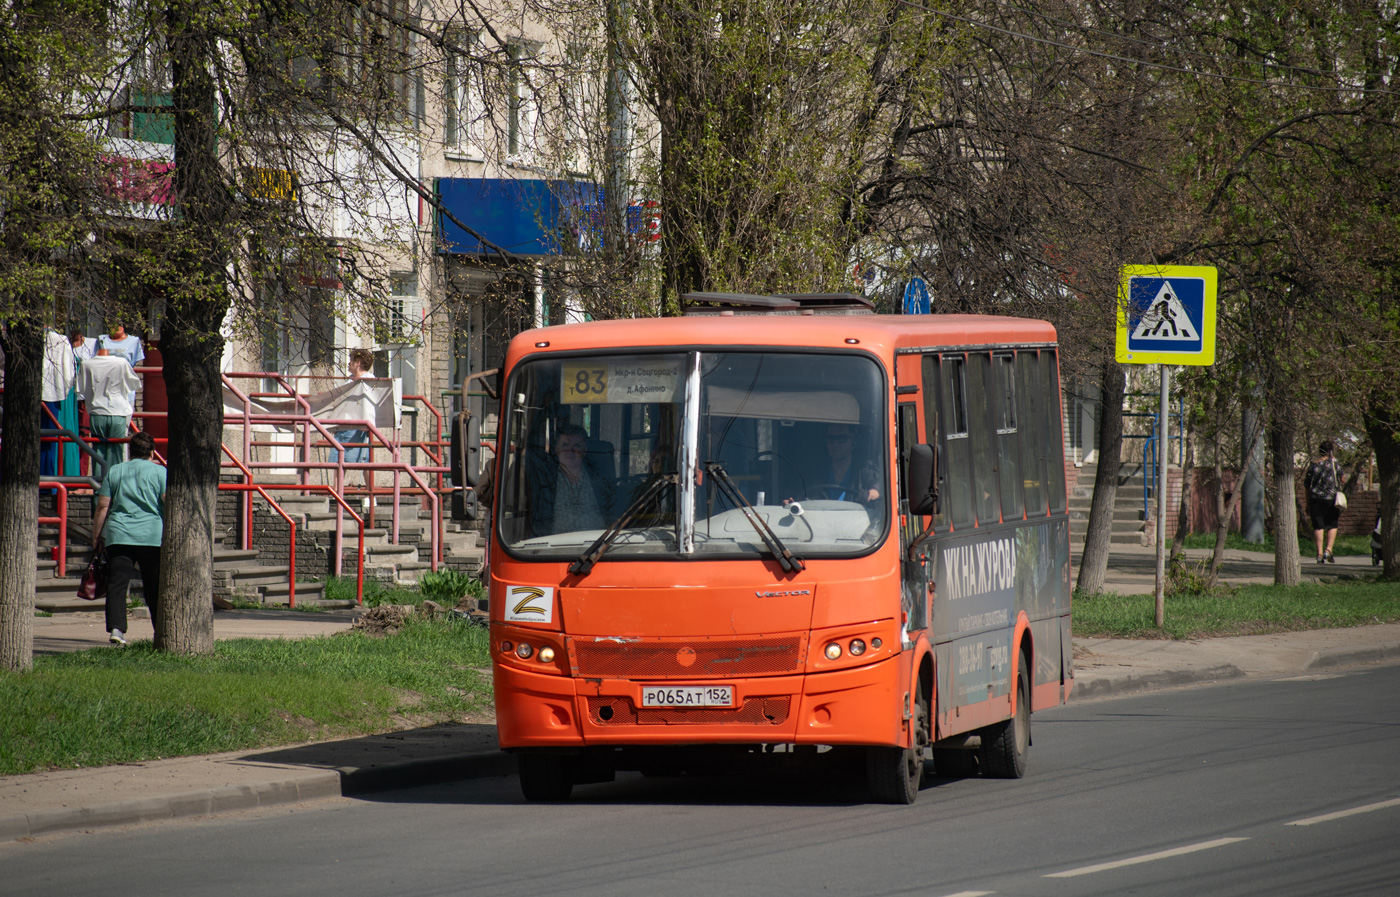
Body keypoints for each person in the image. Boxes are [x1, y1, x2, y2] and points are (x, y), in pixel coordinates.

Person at [91, 431, 166, 646]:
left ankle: (117, 630)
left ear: (131, 451)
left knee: (117, 585)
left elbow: (103, 506)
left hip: (119, 535)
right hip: (151, 537)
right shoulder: (160, 472)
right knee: (153, 586)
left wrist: (96, 537)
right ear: (152, 452)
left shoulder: (116, 471)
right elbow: (167, 501)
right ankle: (160, 631)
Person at [531, 424, 613, 535]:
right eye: (565, 445)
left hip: (597, 546)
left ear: (584, 450)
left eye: (577, 446)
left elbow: (610, 515)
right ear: (557, 449)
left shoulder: (600, 481)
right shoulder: (544, 480)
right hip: (552, 548)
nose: (570, 450)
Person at [77, 347, 142, 475]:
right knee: (116, 453)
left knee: (98, 453)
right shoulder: (121, 363)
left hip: (97, 412)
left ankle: (98, 490)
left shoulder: (86, 364)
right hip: (118, 412)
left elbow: (81, 390)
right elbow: (134, 385)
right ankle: (114, 489)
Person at [335, 347, 376, 499]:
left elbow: (369, 404)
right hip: (344, 423)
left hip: (359, 425)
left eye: (351, 361)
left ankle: (371, 495)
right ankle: (336, 494)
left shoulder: (368, 381)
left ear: (358, 363)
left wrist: (368, 423)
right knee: (337, 460)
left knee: (363, 459)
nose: (348, 364)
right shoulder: (350, 380)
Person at [810, 423, 881, 503]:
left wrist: (869, 494)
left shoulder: (865, 469)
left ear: (854, 442)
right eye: (831, 439)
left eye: (842, 439)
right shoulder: (818, 471)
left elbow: (879, 487)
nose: (835, 444)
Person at [41, 328, 76, 481]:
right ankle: (48, 479)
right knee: (50, 441)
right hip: (52, 394)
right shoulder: (61, 341)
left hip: (30, 395)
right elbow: (69, 372)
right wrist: (64, 390)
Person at [1303, 439, 1343, 564]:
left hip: (1316, 499)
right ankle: (1328, 550)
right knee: (1332, 524)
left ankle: (1319, 554)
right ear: (1331, 451)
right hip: (1331, 499)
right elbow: (1342, 479)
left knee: (1318, 526)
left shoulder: (1313, 465)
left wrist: (1307, 503)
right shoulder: (1335, 465)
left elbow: (1307, 486)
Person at [97, 320, 144, 408]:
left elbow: (133, 362)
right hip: (106, 386)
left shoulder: (134, 341)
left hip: (126, 386)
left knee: (125, 418)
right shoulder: (101, 340)